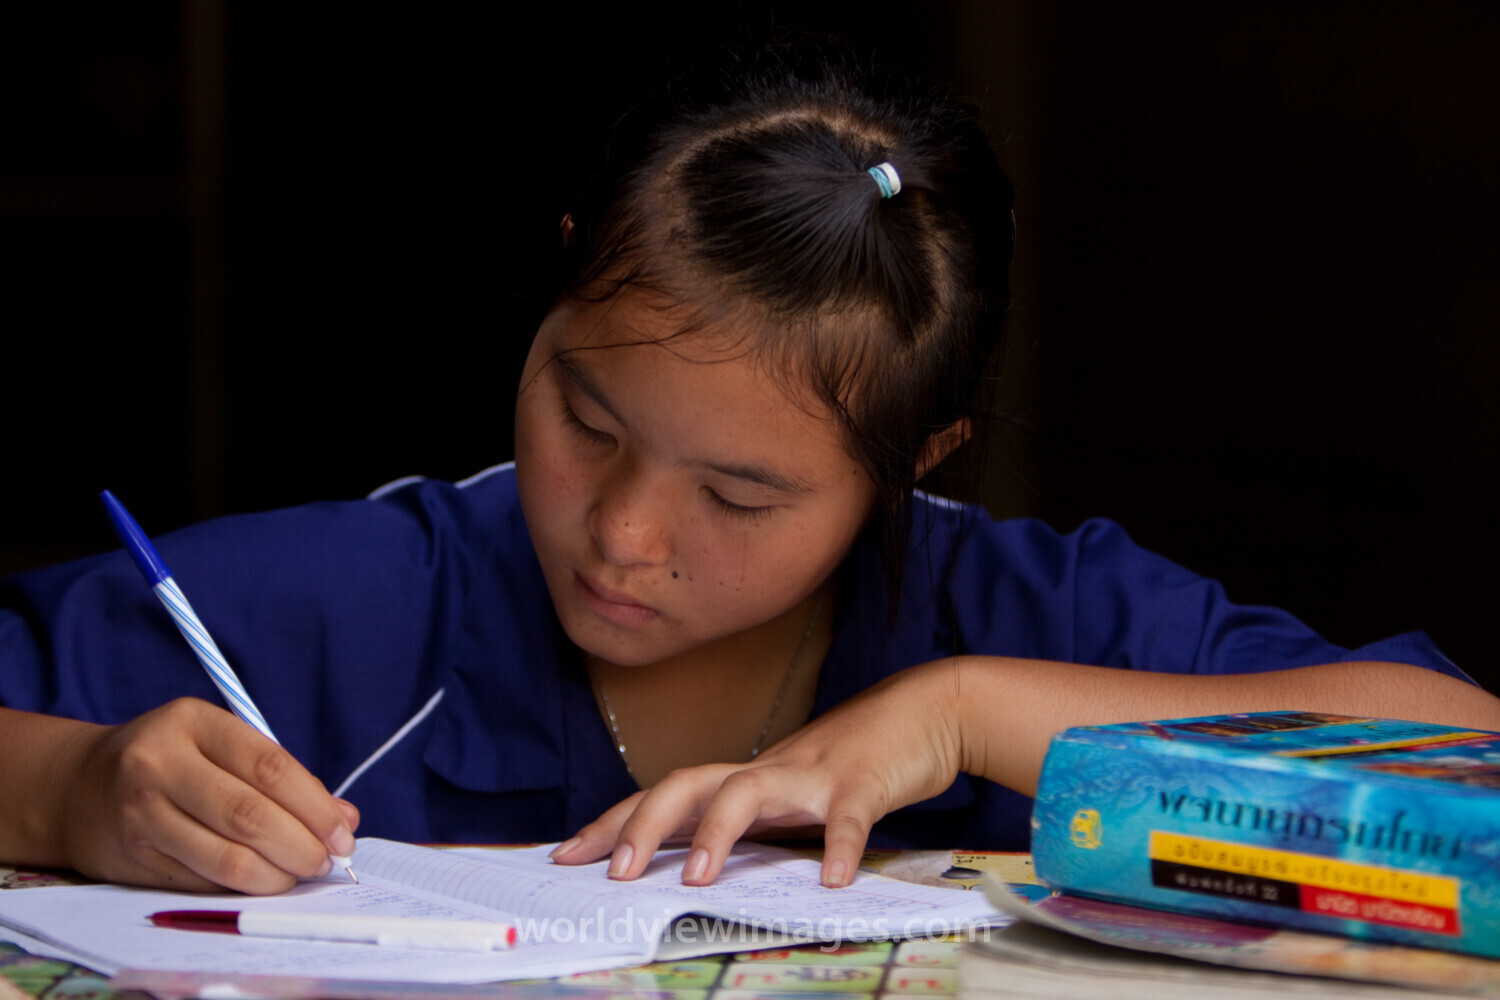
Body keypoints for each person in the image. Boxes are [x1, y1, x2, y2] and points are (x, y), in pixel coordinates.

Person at [2, 44, 1497, 896]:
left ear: (910, 469)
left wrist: (961, 716)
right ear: (557, 292)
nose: (625, 535)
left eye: (739, 497)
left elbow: (1465, 752)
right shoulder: (348, 606)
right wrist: (66, 793)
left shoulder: (1012, 614)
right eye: (587, 421)